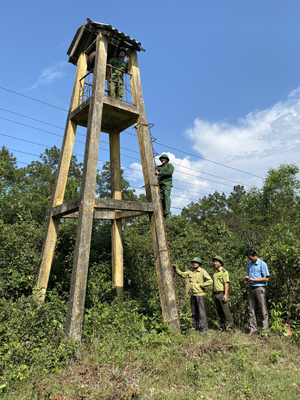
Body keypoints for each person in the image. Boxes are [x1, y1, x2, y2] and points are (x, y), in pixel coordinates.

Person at [172, 257, 213, 334]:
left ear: (199, 264)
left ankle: (204, 328)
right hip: (193, 295)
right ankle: (194, 327)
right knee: (193, 312)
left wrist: (202, 285)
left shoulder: (203, 272)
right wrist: (175, 268)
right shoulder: (190, 272)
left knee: (202, 312)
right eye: (193, 262)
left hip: (200, 295)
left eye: (196, 262)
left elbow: (210, 281)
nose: (194, 263)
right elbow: (182, 274)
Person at [245, 249, 270, 337]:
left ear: (255, 255)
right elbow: (248, 273)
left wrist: (253, 280)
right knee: (251, 311)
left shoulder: (263, 264)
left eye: (251, 258)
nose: (250, 260)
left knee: (263, 311)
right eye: (249, 259)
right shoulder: (250, 264)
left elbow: (266, 278)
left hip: (260, 289)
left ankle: (265, 332)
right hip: (251, 288)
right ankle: (253, 329)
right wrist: (247, 277)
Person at [212, 255, 235, 333]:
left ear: (220, 263)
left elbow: (226, 283)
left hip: (221, 293)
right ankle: (222, 327)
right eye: (214, 262)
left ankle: (231, 328)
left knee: (226, 311)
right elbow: (214, 284)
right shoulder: (215, 273)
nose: (215, 263)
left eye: (216, 262)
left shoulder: (223, 272)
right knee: (218, 312)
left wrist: (225, 295)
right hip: (215, 294)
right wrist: (212, 293)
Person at [155, 153, 174, 217]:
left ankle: (167, 210)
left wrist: (159, 173)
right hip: (160, 185)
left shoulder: (169, 166)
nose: (162, 160)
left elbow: (169, 172)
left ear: (166, 160)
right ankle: (162, 211)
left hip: (167, 184)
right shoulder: (159, 167)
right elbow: (154, 169)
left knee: (166, 196)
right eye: (161, 159)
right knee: (161, 198)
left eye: (164, 159)